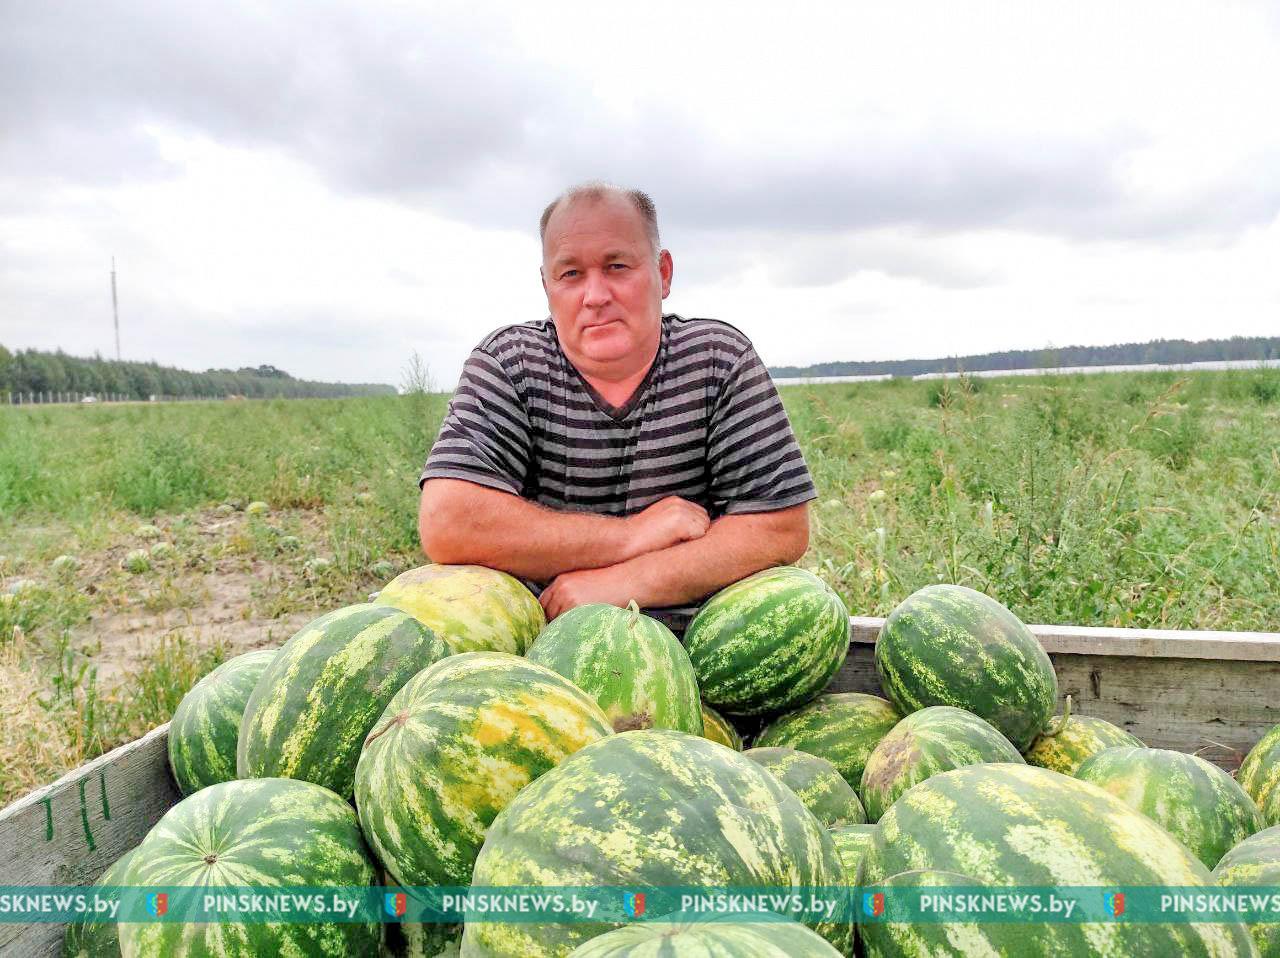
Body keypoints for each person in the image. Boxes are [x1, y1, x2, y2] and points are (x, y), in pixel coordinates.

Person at [417, 182, 817, 635]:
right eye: (570, 274)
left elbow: (780, 526)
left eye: (617, 266)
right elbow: (447, 521)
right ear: (547, 285)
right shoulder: (509, 365)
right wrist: (631, 535)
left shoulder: (718, 360)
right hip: (538, 646)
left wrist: (625, 581)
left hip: (690, 643)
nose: (595, 295)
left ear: (663, 273)